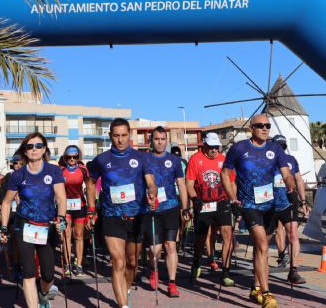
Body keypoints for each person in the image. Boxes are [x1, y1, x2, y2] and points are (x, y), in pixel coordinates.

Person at [221, 115, 295, 308]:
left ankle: (255, 288)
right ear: (251, 128)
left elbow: (286, 173)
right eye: (260, 125)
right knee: (262, 245)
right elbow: (225, 173)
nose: (265, 128)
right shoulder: (239, 148)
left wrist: (291, 188)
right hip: (249, 205)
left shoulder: (275, 149)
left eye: (268, 125)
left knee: (259, 248)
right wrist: (232, 198)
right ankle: (267, 293)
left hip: (269, 205)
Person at [86, 118, 158, 308]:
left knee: (132, 262)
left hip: (137, 215)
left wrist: (152, 192)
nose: (120, 140)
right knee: (118, 261)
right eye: (116, 136)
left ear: (129, 135)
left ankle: (124, 288)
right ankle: (123, 305)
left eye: (124, 135)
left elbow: (150, 181)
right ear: (110, 136)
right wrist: (91, 208)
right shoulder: (101, 160)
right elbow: (91, 183)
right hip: (112, 216)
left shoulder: (142, 158)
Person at [0, 133, 67, 308]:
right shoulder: (17, 175)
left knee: (48, 274)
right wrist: (4, 228)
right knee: (28, 272)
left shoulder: (53, 171)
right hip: (25, 226)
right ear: (25, 151)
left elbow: (61, 198)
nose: (34, 149)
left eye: (38, 146)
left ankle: (43, 293)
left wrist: (61, 219)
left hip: (47, 227)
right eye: (30, 146)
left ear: (44, 149)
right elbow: (6, 202)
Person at [144, 126, 190, 298]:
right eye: (156, 139)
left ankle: (172, 283)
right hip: (152, 209)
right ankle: (153, 269)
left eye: (163, 139)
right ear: (151, 141)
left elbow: (181, 185)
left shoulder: (174, 160)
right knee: (154, 250)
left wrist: (185, 207)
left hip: (170, 207)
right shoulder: (145, 159)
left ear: (167, 140)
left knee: (171, 246)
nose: (160, 142)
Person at [186, 132, 236, 287]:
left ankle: (226, 272)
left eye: (216, 147)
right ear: (205, 146)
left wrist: (233, 199)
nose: (214, 150)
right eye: (211, 147)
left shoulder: (224, 159)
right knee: (201, 237)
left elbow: (232, 182)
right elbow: (189, 182)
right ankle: (196, 261)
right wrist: (195, 199)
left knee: (227, 235)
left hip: (221, 202)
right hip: (203, 202)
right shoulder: (195, 159)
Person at [270, 134, 310, 284]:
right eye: (277, 146)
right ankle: (266, 262)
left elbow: (299, 180)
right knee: (267, 235)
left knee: (293, 234)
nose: (281, 149)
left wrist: (303, 201)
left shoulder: (291, 160)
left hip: (288, 202)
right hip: (270, 203)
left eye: (283, 146)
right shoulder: (267, 161)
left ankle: (294, 271)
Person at [58, 145, 90, 276]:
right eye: (69, 157)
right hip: (66, 206)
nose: (72, 159)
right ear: (65, 158)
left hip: (80, 205)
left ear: (78, 157)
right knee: (66, 235)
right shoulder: (61, 170)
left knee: (79, 236)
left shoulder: (83, 169)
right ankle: (67, 263)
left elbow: (90, 187)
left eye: (74, 157)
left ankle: (79, 265)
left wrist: (91, 208)